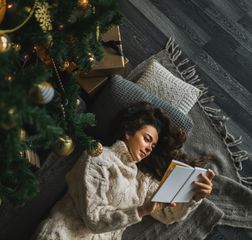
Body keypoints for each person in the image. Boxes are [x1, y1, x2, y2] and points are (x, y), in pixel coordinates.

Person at [33, 101, 215, 240]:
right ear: (128, 132)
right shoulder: (98, 158)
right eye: (146, 138)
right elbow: (94, 219)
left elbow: (168, 214)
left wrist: (195, 196)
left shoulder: (142, 179)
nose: (149, 148)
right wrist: (141, 210)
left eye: (153, 145)